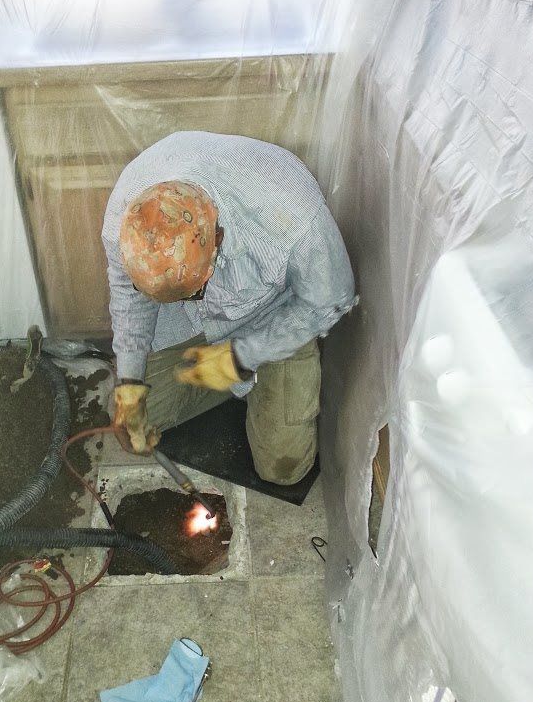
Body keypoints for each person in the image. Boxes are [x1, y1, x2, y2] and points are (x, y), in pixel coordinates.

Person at [102, 131, 355, 486]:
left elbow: (330, 298)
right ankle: (230, 383)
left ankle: (249, 378)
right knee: (138, 424)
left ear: (217, 239)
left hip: (272, 318)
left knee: (283, 469)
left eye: (192, 290)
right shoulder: (125, 217)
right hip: (194, 325)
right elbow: (129, 299)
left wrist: (242, 357)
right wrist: (129, 383)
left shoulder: (291, 212)